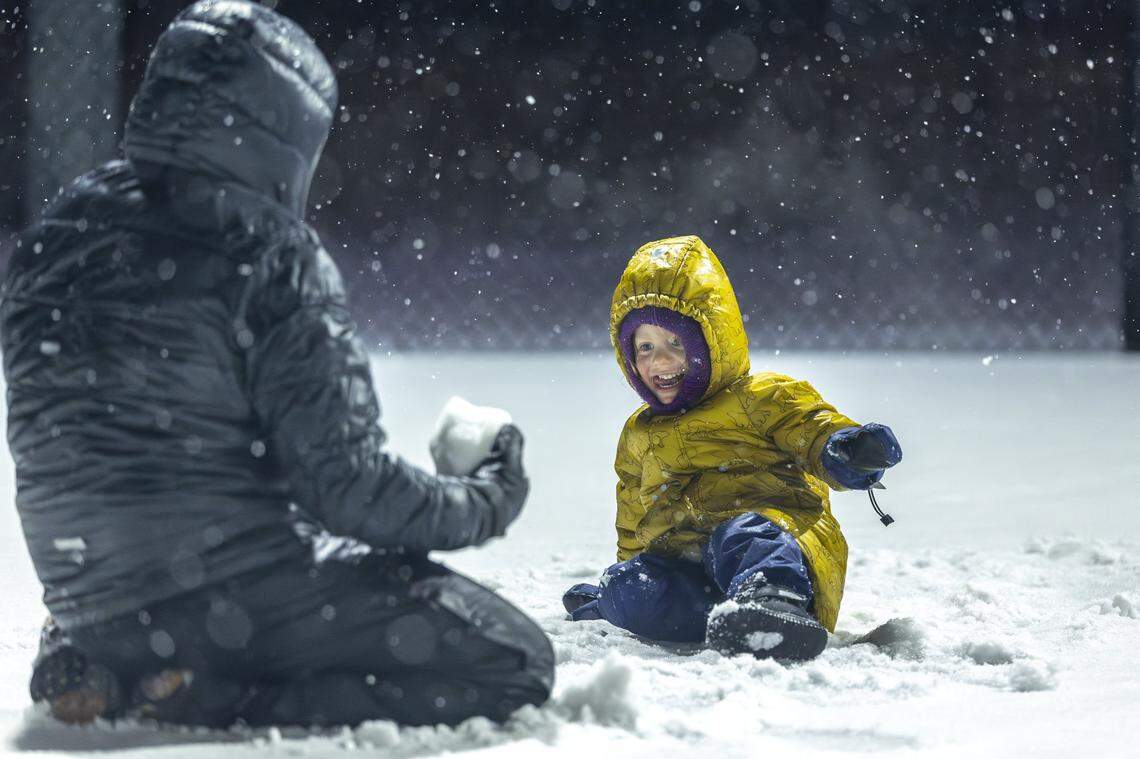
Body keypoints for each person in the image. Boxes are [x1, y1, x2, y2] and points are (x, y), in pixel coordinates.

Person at [1, 1, 552, 728]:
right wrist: (488, 495)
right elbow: (346, 490)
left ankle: (106, 659)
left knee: (216, 579)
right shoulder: (268, 251)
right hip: (232, 599)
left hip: (88, 598)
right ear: (288, 131)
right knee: (512, 657)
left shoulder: (56, 236)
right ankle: (209, 694)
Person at [562, 235, 902, 660]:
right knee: (630, 585)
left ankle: (774, 608)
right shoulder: (637, 434)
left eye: (676, 344)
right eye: (645, 347)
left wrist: (846, 450)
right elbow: (634, 519)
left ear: (712, 344)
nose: (660, 362)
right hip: (692, 574)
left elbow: (811, 428)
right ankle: (726, 620)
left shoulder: (760, 398)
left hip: (780, 546)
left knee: (743, 534)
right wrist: (617, 591)